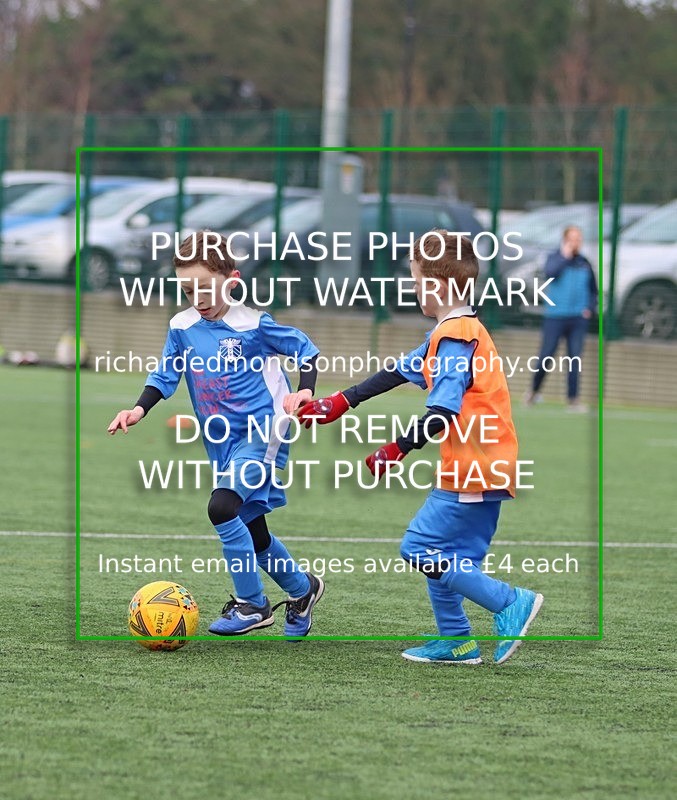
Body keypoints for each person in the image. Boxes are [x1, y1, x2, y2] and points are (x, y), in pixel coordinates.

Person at [298, 231, 543, 665]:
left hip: (474, 467)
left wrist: (397, 448)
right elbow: (395, 372)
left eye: (416, 283)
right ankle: (456, 641)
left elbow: (443, 410)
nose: (414, 291)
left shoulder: (455, 337)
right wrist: (342, 401)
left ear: (439, 286)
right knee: (446, 558)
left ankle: (509, 602)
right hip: (488, 466)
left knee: (420, 548)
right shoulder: (456, 330)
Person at [108, 231, 324, 637]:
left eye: (206, 288)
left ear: (232, 280)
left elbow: (306, 350)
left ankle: (252, 604)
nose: (198, 298)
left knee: (221, 507)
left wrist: (305, 389)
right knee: (250, 525)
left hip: (264, 432)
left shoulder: (254, 325)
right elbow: (165, 374)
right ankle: (302, 588)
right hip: (221, 441)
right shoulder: (182, 327)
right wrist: (138, 408)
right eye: (188, 289)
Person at [526, 225, 597, 411]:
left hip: (577, 319)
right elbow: (550, 273)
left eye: (578, 239)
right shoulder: (554, 259)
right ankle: (533, 392)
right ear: (565, 240)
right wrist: (565, 257)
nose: (576, 242)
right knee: (546, 355)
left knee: (574, 358)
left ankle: (573, 399)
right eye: (572, 238)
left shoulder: (585, 263)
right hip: (555, 317)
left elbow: (593, 291)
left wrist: (589, 309)